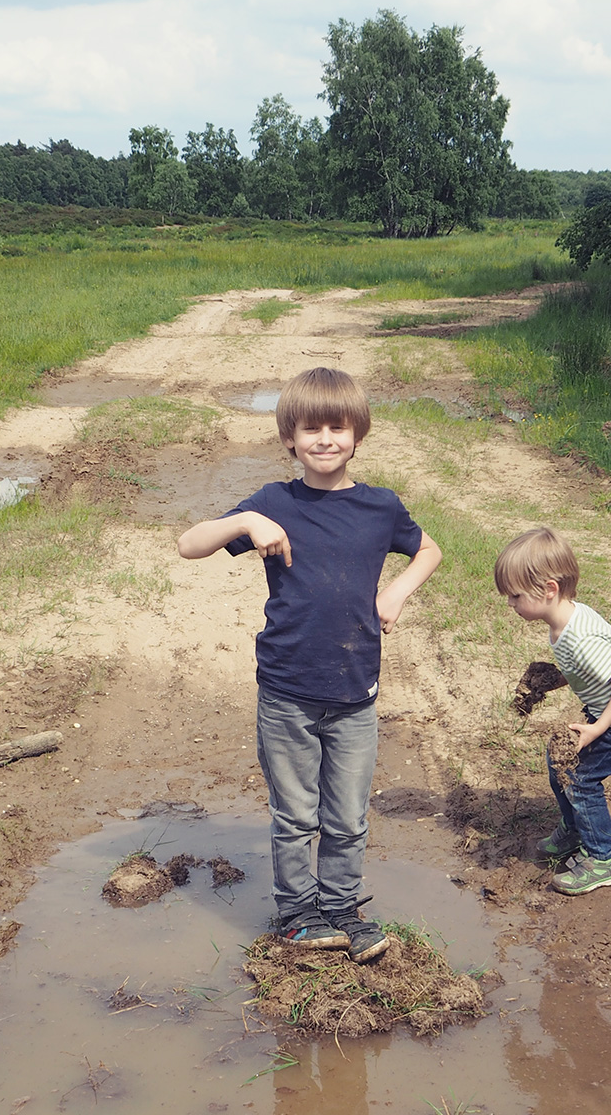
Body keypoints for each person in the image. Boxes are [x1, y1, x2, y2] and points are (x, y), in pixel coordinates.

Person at [178, 367, 441, 961]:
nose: (325, 440)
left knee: (347, 817)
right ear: (289, 439)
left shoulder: (380, 507)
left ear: (358, 435)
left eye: (337, 428)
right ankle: (298, 913)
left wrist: (396, 592)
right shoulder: (275, 503)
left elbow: (428, 549)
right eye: (311, 429)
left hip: (355, 694)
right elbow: (188, 544)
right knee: (296, 815)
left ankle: (343, 910)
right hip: (287, 693)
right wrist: (245, 521)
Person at [494, 527, 611, 895]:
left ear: (548, 589)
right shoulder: (566, 621)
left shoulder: (580, 638)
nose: (510, 604)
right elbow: (590, 669)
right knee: (558, 760)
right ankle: (576, 828)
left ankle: (604, 859)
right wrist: (551, 680)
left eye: (515, 595)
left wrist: (597, 728)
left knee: (580, 777)